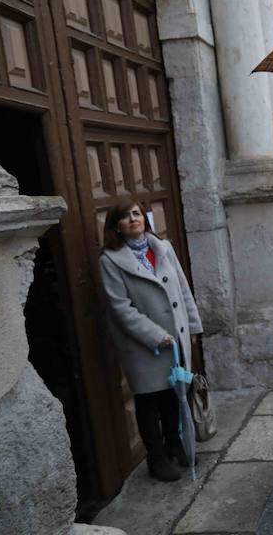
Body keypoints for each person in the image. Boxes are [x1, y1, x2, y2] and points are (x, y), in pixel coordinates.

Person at [99, 200, 203, 482]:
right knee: (149, 401)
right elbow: (120, 307)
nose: (133, 219)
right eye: (124, 216)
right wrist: (156, 335)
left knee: (174, 394)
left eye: (136, 213)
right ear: (116, 227)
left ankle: (176, 446)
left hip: (176, 336)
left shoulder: (163, 248)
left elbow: (182, 289)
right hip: (143, 344)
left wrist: (192, 327)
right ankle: (156, 459)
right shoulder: (110, 260)